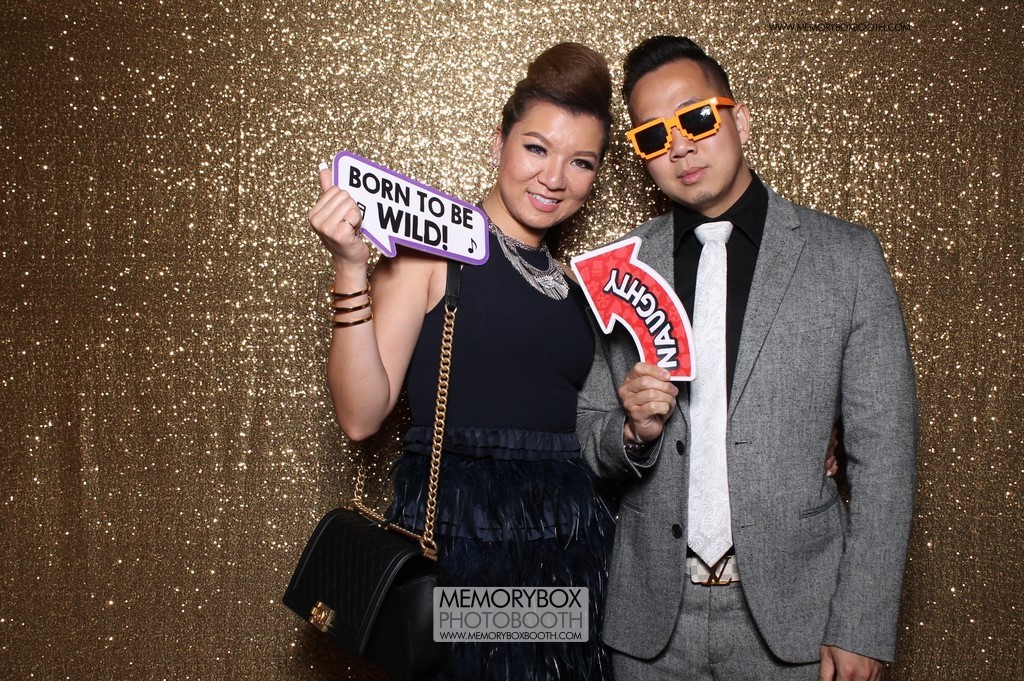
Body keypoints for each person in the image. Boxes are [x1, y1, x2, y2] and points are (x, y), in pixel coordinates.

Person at [576, 36, 918, 681]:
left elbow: (886, 457)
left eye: (697, 118)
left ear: (742, 120)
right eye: (653, 135)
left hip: (801, 622)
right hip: (650, 627)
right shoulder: (621, 269)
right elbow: (588, 434)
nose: (680, 147)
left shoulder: (846, 259)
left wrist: (863, 623)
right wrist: (630, 432)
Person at [308, 43, 615, 680]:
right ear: (500, 142)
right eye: (536, 148)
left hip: (566, 551)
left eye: (580, 162)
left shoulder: (579, 287)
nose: (554, 178)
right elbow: (361, 417)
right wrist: (350, 268)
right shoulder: (432, 254)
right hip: (465, 539)